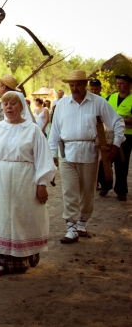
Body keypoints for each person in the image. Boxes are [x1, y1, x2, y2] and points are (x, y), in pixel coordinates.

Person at [0, 91, 57, 276]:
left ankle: (25, 258)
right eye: (5, 104)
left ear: (22, 107)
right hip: (0, 180)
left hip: (25, 180)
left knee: (23, 216)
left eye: (13, 104)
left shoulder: (33, 130)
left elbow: (43, 158)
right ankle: (0, 263)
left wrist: (42, 184)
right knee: (1, 217)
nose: (8, 107)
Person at [48, 70, 125, 243]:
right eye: (71, 85)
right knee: (69, 190)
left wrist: (116, 144)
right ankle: (71, 227)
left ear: (85, 84)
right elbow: (54, 131)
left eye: (78, 85)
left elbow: (118, 122)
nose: (74, 88)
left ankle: (83, 222)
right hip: (67, 152)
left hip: (90, 152)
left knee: (87, 190)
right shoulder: (61, 104)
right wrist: (52, 154)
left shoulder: (98, 102)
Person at [98, 74, 132, 201]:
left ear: (129, 85)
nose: (118, 85)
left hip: (127, 136)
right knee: (105, 161)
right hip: (108, 135)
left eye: (122, 83)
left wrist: (120, 121)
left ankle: (121, 190)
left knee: (122, 163)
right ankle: (105, 186)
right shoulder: (110, 97)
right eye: (117, 83)